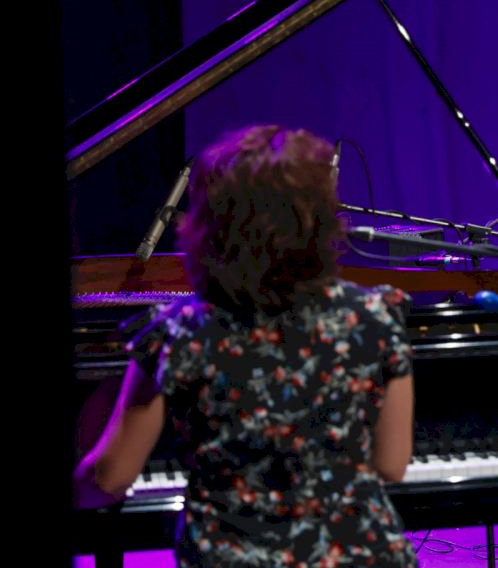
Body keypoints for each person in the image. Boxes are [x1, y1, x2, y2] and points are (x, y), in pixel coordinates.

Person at [73, 125, 418, 566]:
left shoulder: (176, 332)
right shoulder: (375, 317)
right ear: (320, 220)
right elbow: (392, 464)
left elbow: (110, 479)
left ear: (211, 224)